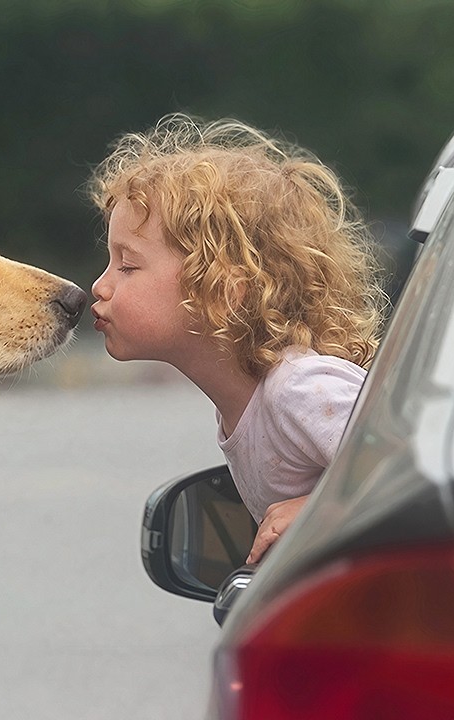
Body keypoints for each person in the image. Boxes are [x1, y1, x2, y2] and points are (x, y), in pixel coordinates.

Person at [87, 114, 386, 565]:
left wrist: (319, 509)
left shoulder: (299, 389)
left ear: (222, 290)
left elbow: (417, 474)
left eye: (127, 266)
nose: (100, 286)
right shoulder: (246, 405)